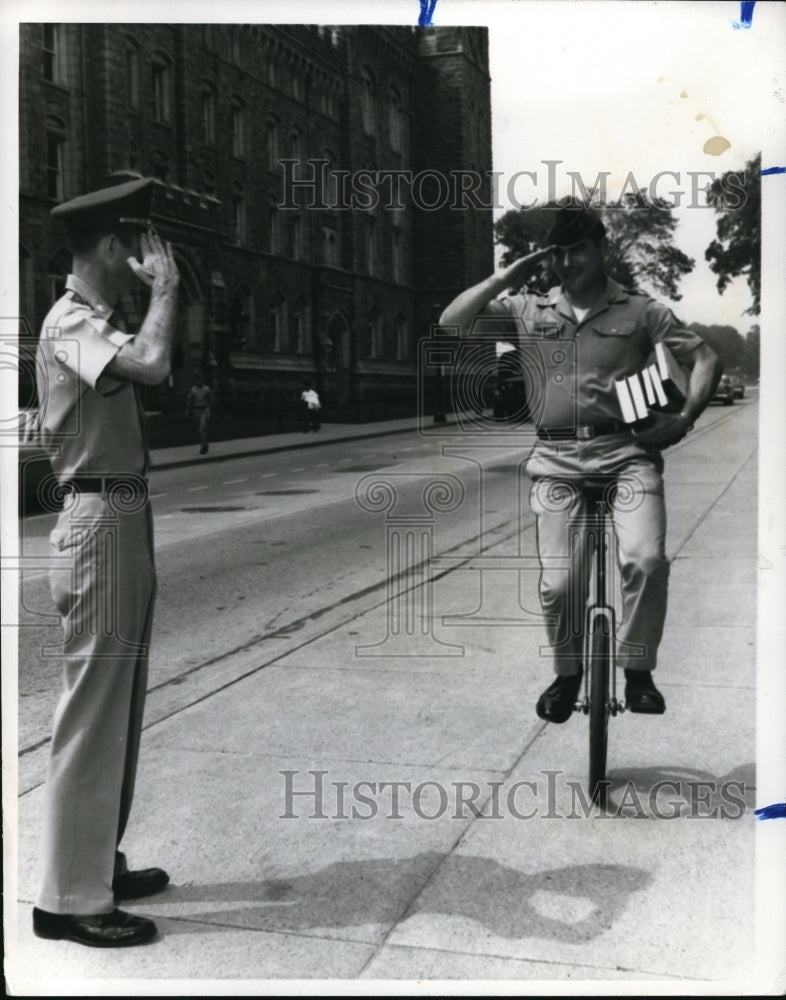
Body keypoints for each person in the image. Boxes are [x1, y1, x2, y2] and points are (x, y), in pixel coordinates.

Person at [439, 202, 721, 722]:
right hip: (556, 461)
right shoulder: (529, 308)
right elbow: (450, 322)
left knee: (645, 560)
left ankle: (638, 671)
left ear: (601, 249)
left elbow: (704, 358)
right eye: (558, 253)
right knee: (560, 584)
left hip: (627, 456)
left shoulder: (639, 310)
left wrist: (682, 421)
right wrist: (505, 276)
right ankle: (568, 676)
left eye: (577, 251)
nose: (567, 263)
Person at [31, 177, 180, 947]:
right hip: (98, 515)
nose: (144, 264)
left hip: (122, 509)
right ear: (111, 247)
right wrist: (169, 294)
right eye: (135, 248)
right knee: (91, 714)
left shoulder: (92, 321)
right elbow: (153, 364)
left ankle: (97, 863)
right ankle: (69, 900)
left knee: (117, 706)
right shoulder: (70, 323)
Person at [186, 372, 214, 454]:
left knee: (202, 428)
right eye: (197, 379)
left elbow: (211, 399)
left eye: (200, 379)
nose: (199, 381)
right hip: (196, 410)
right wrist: (188, 409)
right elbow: (189, 399)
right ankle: (205, 443)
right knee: (200, 430)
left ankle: (203, 447)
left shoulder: (207, 389)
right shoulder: (193, 389)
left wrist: (210, 410)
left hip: (204, 410)